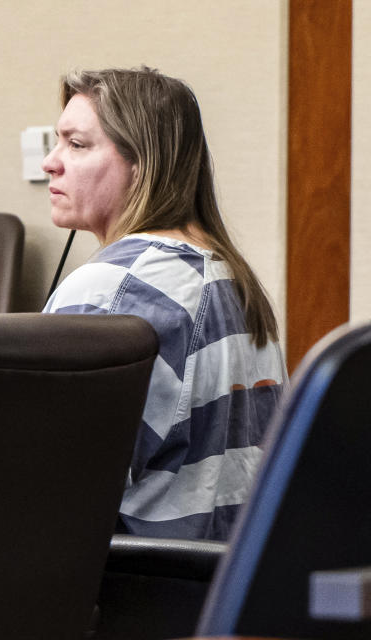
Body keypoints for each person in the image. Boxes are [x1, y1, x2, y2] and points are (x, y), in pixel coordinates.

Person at [41, 67, 286, 541]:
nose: (51, 163)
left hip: (136, 594)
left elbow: (48, 490)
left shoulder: (113, 289)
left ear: (143, 162)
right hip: (221, 594)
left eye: (77, 144)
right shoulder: (232, 276)